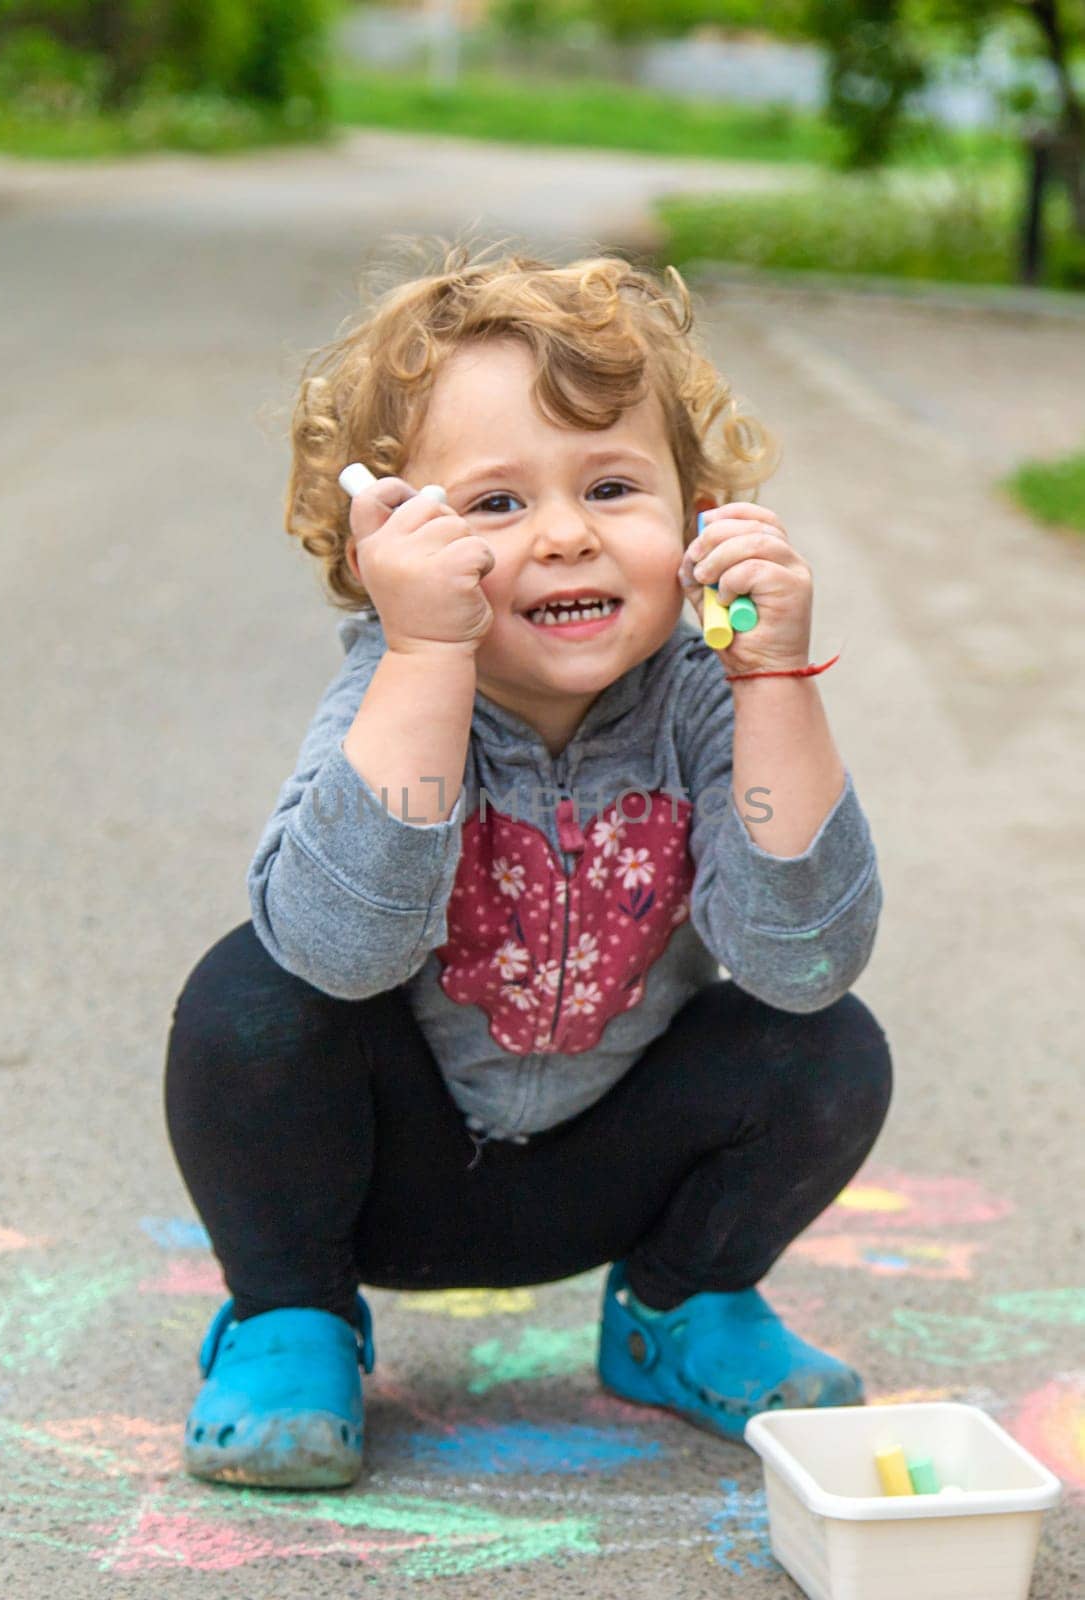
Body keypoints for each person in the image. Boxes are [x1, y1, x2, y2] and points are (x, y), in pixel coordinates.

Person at [164, 238, 892, 1490]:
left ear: (696, 513)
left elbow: (804, 956)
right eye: (496, 504)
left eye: (613, 487)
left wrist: (770, 674)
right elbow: (337, 951)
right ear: (394, 540)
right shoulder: (388, 687)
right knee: (248, 1003)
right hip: (392, 1174)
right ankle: (293, 1319)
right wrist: (428, 656)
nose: (563, 536)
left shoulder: (706, 697)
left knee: (828, 1046)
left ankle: (681, 1304)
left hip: (608, 1164)